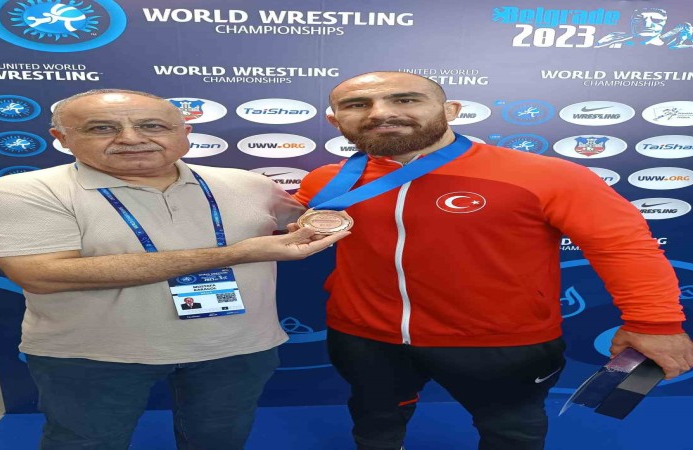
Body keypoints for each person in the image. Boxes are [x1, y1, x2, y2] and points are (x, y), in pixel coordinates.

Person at [293, 71, 693, 450]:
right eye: (357, 104)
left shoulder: (547, 175)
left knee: (510, 429)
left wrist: (654, 325)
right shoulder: (326, 181)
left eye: (406, 100)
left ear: (451, 111)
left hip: (501, 342)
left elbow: (623, 248)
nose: (380, 113)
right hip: (365, 336)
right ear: (335, 120)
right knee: (375, 418)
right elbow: (278, 226)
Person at [0, 89, 349, 450]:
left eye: (152, 126)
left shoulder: (249, 183)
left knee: (219, 440)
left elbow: (309, 221)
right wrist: (234, 254)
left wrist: (321, 218)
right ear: (62, 138)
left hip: (237, 348)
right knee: (86, 443)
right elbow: (41, 275)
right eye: (101, 128)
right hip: (94, 355)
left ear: (185, 133)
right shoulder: (22, 191)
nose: (131, 138)